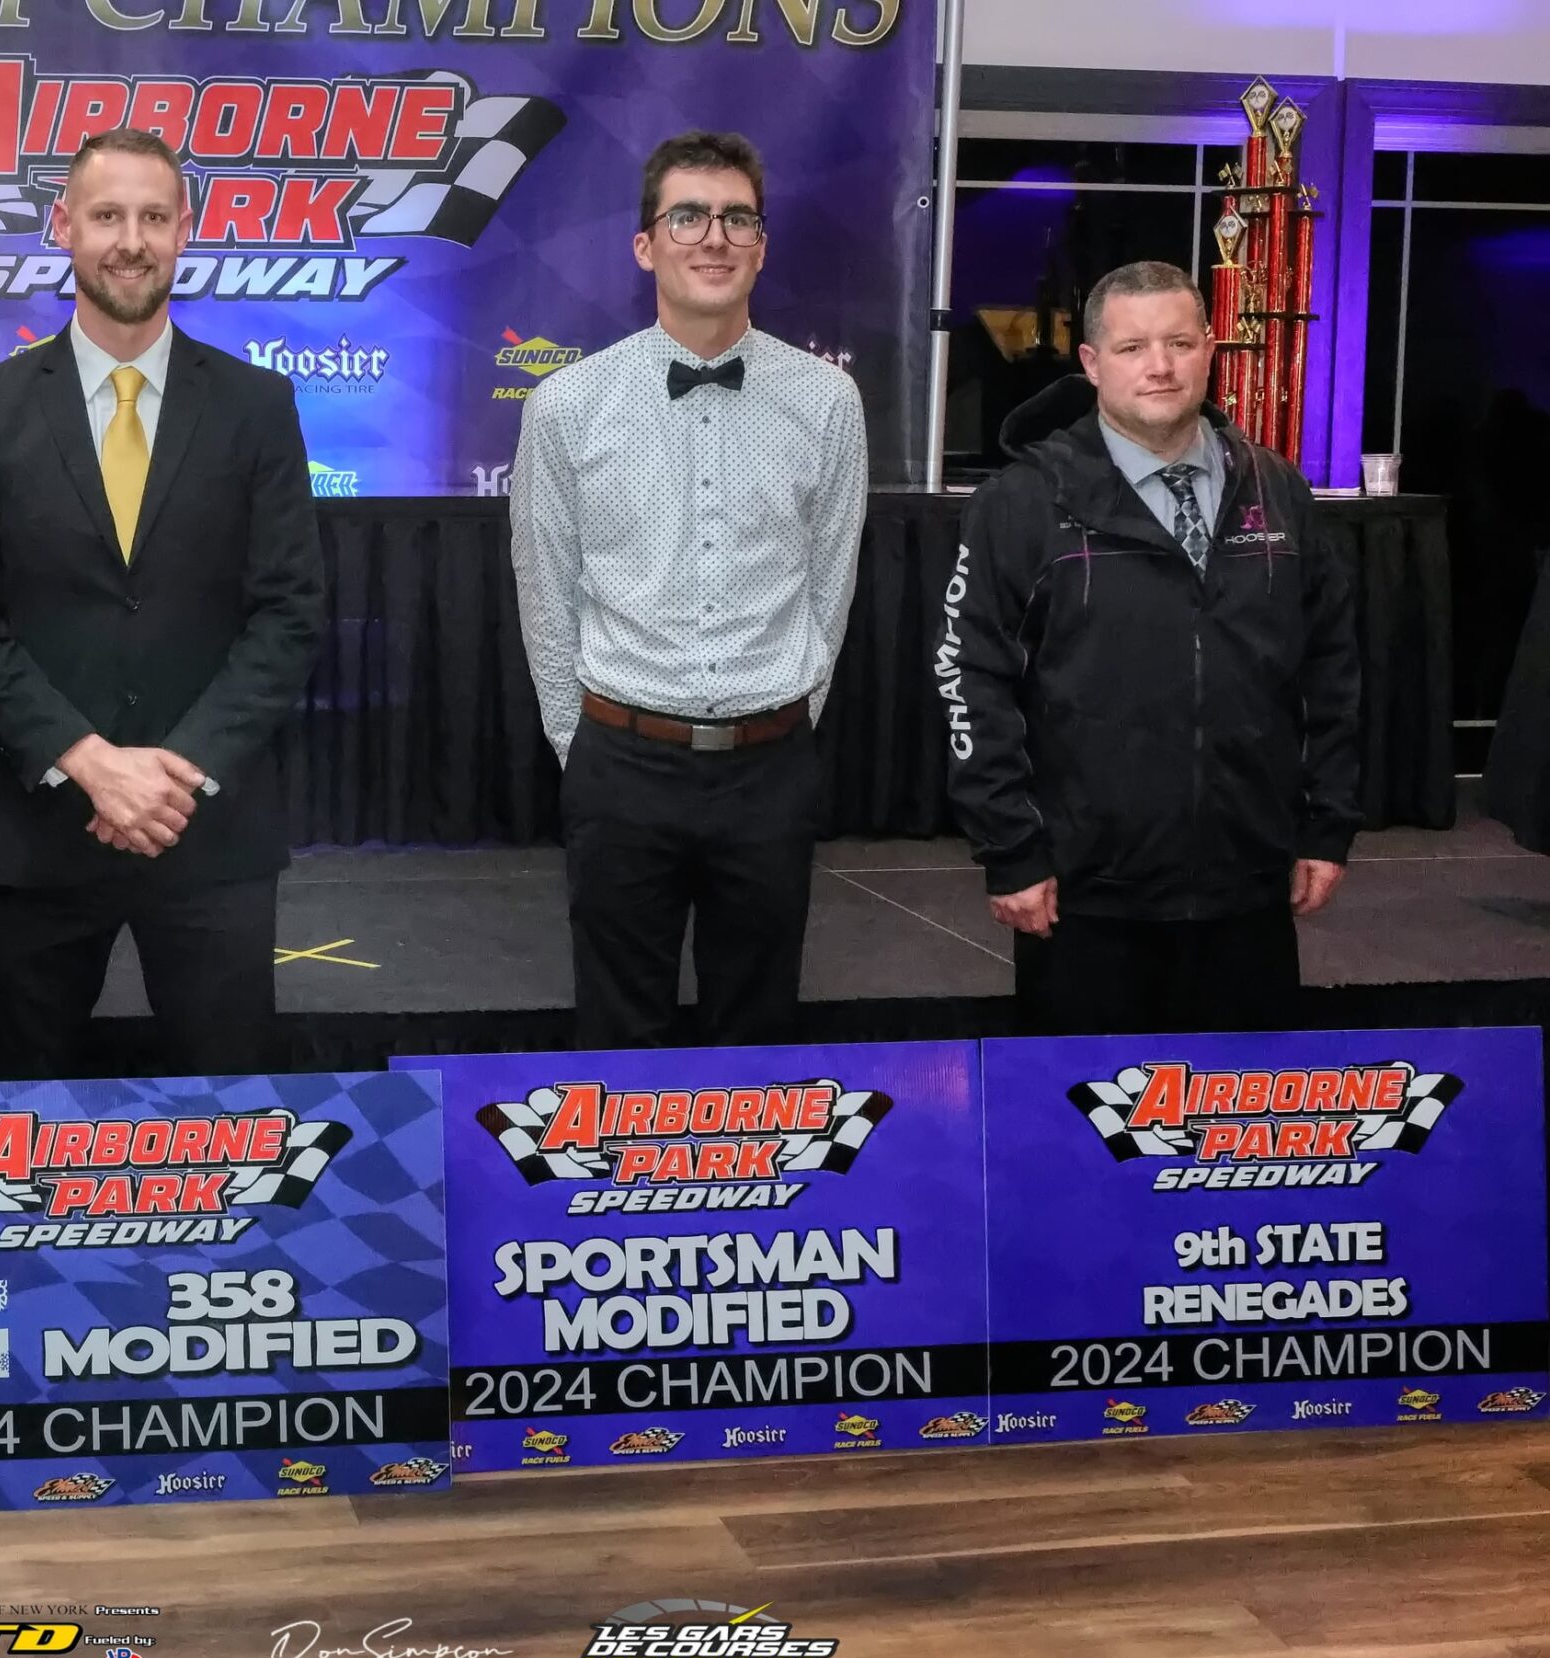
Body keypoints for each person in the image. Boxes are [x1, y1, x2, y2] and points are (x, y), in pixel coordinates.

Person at [0, 126, 326, 1078]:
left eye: (153, 216)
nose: (130, 239)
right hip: (35, 841)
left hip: (211, 841)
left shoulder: (258, 407)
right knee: (19, 1137)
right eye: (107, 215)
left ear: (186, 230)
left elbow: (289, 612)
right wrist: (93, 766)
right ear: (63, 226)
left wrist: (171, 774)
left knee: (232, 1135)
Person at [510, 129, 868, 1050]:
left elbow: (830, 590)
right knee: (616, 1029)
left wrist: (782, 727)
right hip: (621, 763)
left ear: (761, 243)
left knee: (759, 1029)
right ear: (646, 244)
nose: (713, 236)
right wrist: (581, 745)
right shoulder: (569, 404)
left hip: (772, 767)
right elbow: (546, 591)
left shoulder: (827, 402)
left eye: (736, 217)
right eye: (688, 216)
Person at [937, 259, 1360, 1035]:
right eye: (1132, 348)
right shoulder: (1024, 501)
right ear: (1092, 363)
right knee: (1083, 1135)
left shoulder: (1278, 490)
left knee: (1237, 1136)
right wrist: (1011, 849)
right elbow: (970, 678)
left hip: (1249, 886)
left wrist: (1326, 827)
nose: (1160, 366)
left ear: (1210, 351)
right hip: (1083, 894)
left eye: (1179, 342)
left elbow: (1332, 669)